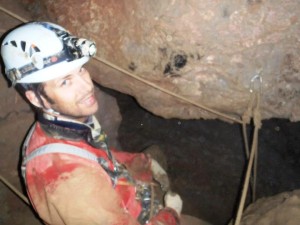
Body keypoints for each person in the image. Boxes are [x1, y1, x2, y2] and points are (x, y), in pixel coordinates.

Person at [1, 21, 183, 225]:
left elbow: (96, 154)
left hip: (123, 198)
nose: (86, 86)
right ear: (35, 98)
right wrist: (171, 214)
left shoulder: (66, 123)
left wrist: (142, 162)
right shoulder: (71, 184)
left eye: (81, 70)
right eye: (65, 82)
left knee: (155, 153)